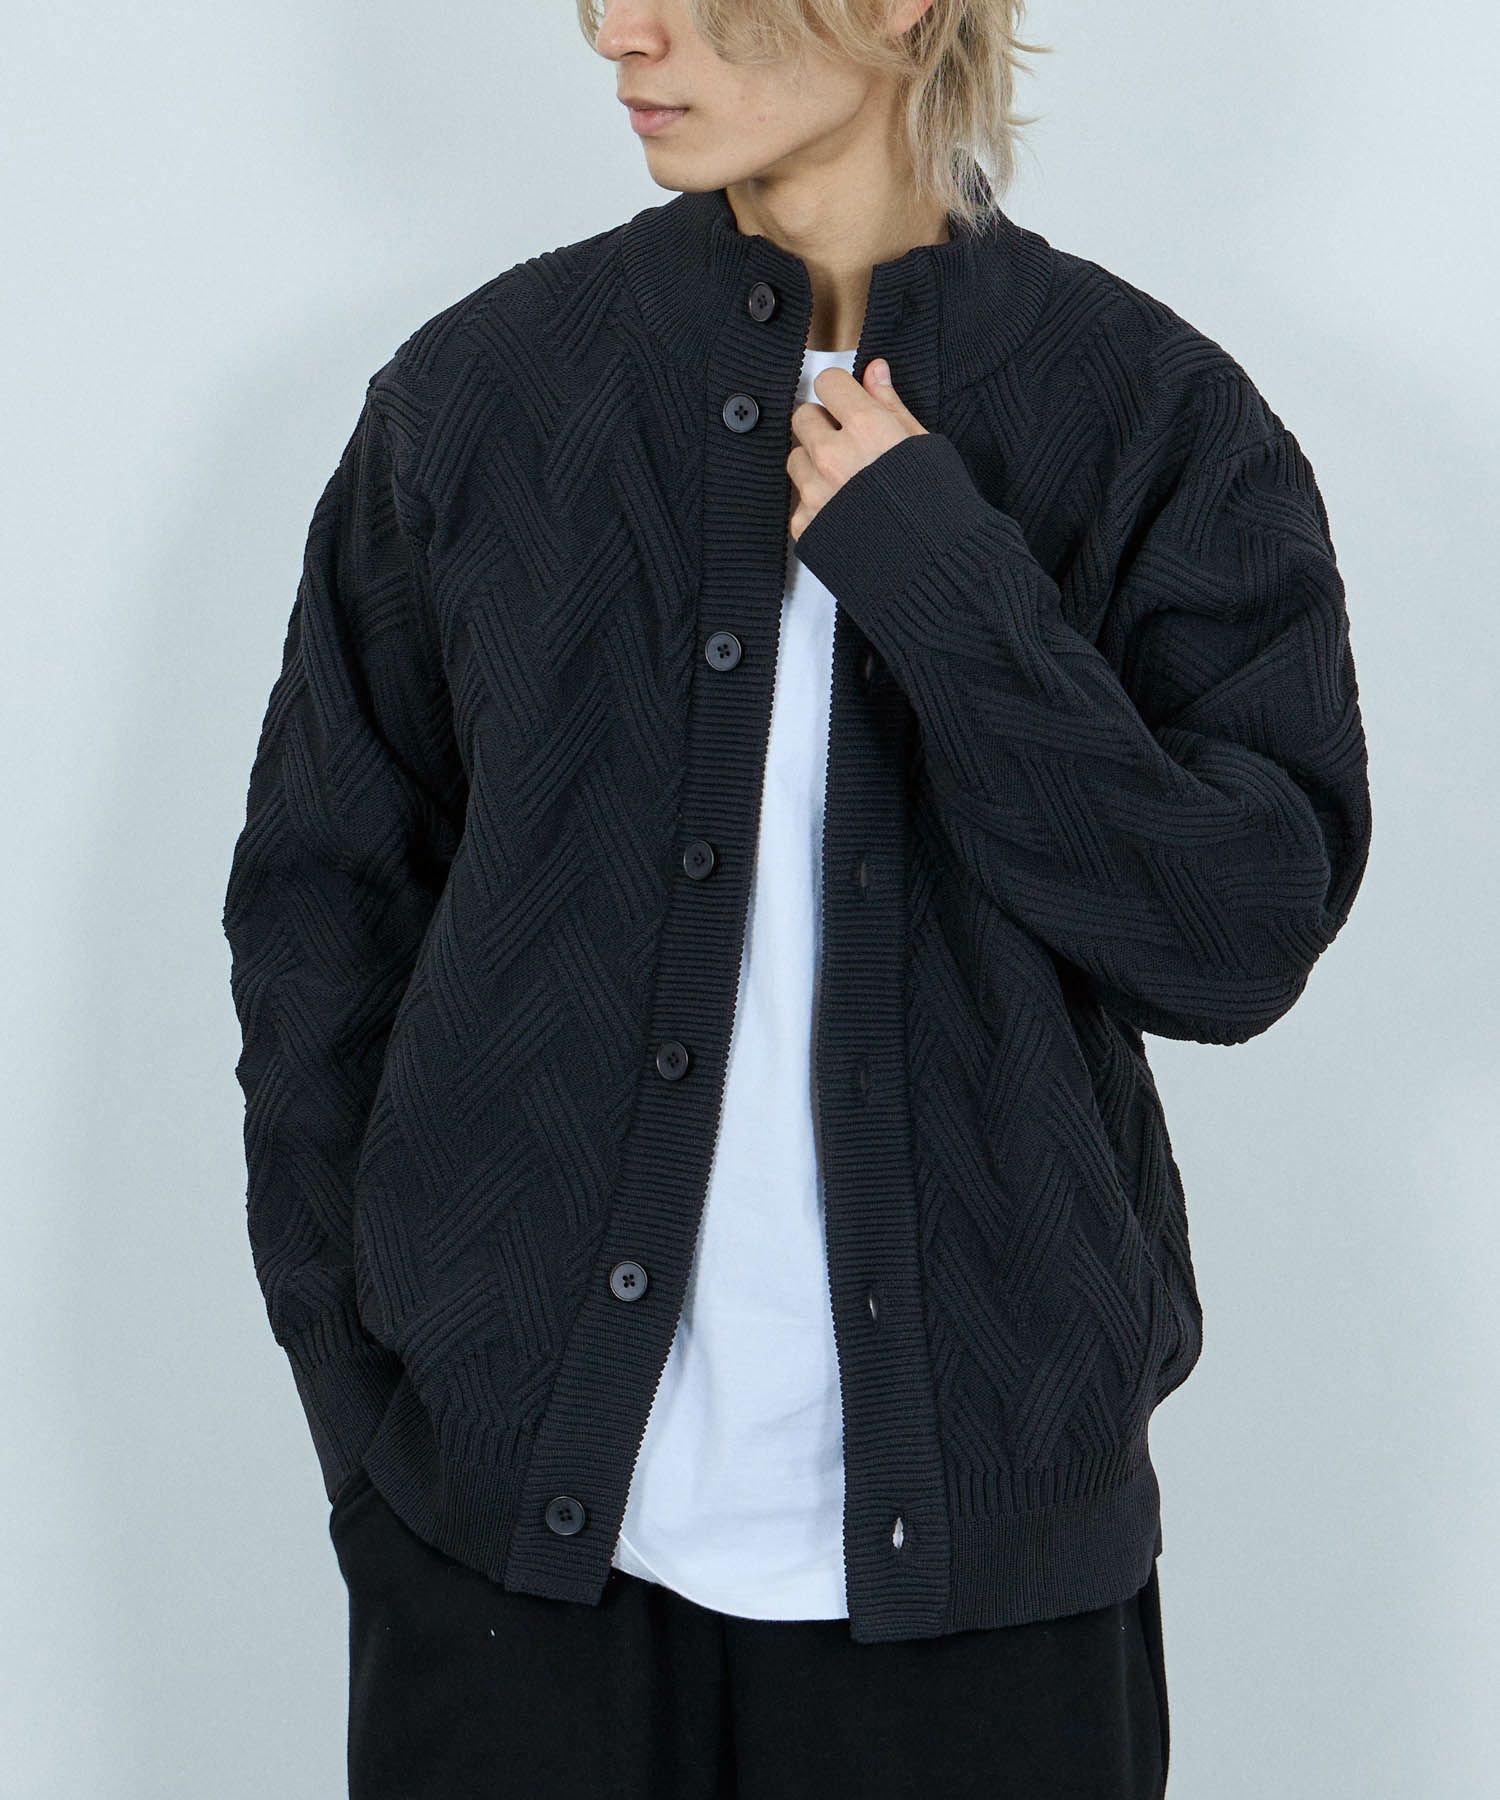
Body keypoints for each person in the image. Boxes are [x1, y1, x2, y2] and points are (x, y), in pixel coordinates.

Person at [221, 1, 1372, 1794]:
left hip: (986, 1596)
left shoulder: (1154, 416)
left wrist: (948, 588)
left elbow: (1236, 941)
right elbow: (320, 927)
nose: (620, 31)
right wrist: (372, 1433)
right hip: (508, 1574)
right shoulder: (484, 394)